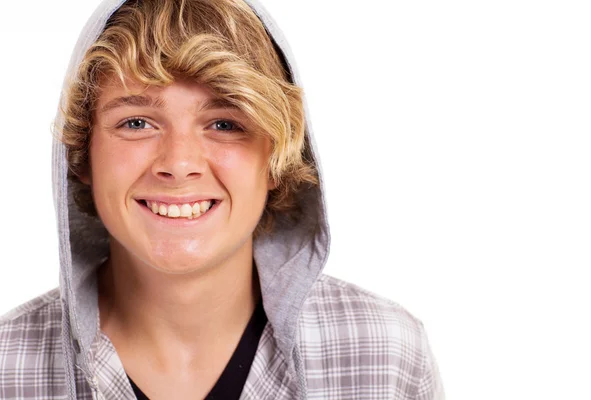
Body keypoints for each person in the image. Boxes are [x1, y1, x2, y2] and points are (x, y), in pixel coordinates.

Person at [0, 0, 444, 398]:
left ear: (278, 156)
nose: (179, 163)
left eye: (225, 124)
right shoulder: (7, 368)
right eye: (136, 123)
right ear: (82, 153)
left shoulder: (386, 358)